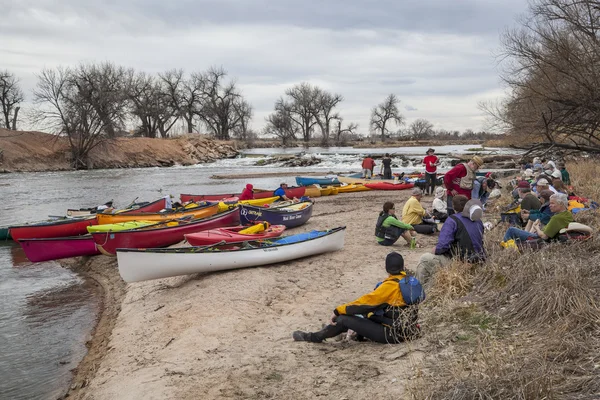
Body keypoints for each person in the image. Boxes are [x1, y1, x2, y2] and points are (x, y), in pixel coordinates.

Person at [292, 252, 422, 344]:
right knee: (365, 316)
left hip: (393, 335)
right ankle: (352, 333)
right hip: (409, 330)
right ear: (403, 267)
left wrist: (338, 310)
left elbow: (363, 304)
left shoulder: (389, 286)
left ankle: (313, 337)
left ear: (386, 268)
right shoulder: (409, 281)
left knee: (342, 319)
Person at [415, 196, 485, 285]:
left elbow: (443, 246)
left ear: (453, 206)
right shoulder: (477, 220)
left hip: (460, 261)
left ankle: (418, 291)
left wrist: (435, 249)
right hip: (478, 259)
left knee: (425, 259)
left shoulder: (452, 220)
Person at [503, 193, 573, 243]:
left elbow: (544, 236)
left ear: (561, 204)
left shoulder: (556, 218)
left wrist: (536, 227)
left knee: (511, 230)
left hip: (537, 239)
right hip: (547, 236)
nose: (550, 206)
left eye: (552, 203)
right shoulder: (568, 214)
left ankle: (504, 246)